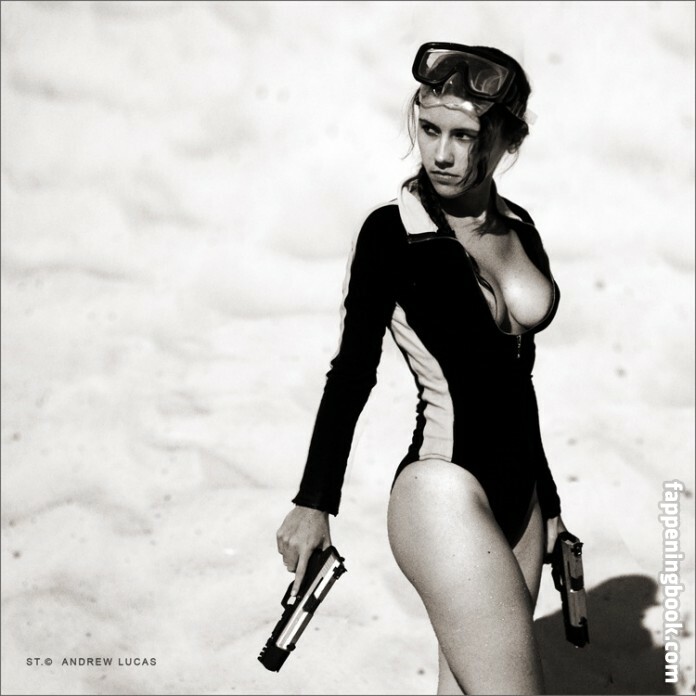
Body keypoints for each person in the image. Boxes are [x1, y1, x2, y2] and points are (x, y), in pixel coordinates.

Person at [276, 42, 570, 694]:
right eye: (430, 129)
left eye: (463, 136)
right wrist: (313, 502)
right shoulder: (391, 234)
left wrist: (548, 503)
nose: (440, 153)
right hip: (440, 493)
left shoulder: (521, 227)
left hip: (519, 502)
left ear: (507, 139)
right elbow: (352, 372)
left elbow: (516, 382)